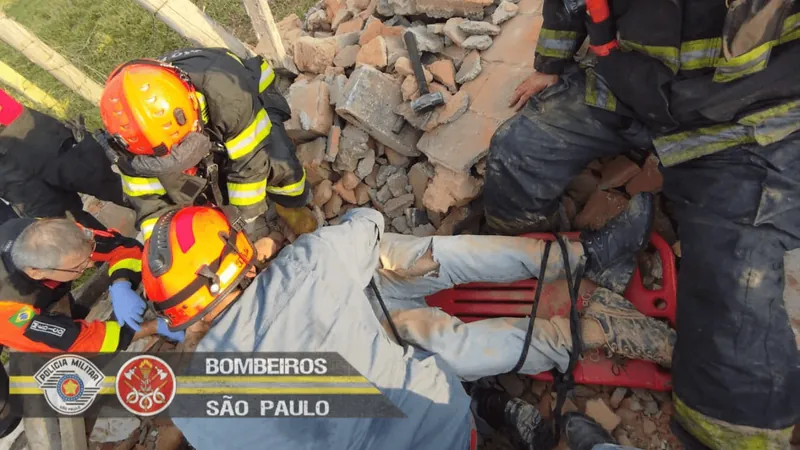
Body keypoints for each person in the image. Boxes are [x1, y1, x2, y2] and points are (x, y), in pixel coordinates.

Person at [483, 0, 800, 447]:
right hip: (627, 87)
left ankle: (724, 434)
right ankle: (556, 261)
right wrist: (551, 64)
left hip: (741, 122)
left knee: (737, 283)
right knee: (517, 156)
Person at [136, 194, 674, 449]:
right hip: (442, 423)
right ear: (238, 256)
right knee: (404, 271)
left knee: (392, 339)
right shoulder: (307, 266)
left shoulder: (195, 408)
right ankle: (576, 264)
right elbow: (366, 221)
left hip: (446, 437)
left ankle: (570, 346)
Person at [98, 48, 316, 242]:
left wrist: (240, 220)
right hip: (213, 130)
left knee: (279, 163)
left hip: (253, 102)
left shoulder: (227, 92)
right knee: (187, 189)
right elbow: (149, 206)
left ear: (193, 106)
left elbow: (251, 163)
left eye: (183, 148)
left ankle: (291, 205)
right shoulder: (127, 143)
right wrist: (168, 247)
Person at [0, 217, 182, 353]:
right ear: (36, 271)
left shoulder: (50, 234)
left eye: (88, 257)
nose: (89, 265)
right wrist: (152, 327)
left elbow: (123, 247)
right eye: (78, 267)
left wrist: (121, 283)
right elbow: (79, 342)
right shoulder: (9, 311)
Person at [0, 88, 125, 230]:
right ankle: (119, 251)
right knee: (62, 227)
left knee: (101, 180)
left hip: (20, 126)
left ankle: (152, 211)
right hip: (7, 171)